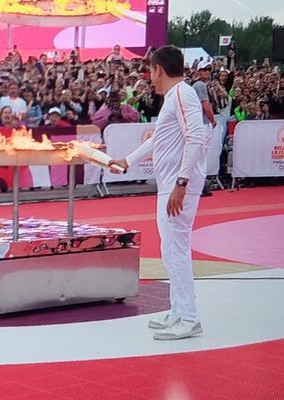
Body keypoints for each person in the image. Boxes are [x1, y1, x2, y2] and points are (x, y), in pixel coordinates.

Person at [109, 45, 207, 340]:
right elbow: (158, 140)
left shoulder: (182, 94)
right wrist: (128, 161)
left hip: (177, 185)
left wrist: (181, 183)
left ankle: (189, 317)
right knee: (171, 248)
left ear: (158, 69)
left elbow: (197, 138)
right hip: (171, 183)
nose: (150, 77)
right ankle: (179, 311)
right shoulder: (175, 98)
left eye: (150, 71)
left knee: (175, 248)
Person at [192, 60, 217, 197]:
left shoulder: (197, 85)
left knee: (199, 156)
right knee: (201, 157)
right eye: (204, 69)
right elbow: (205, 106)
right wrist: (212, 119)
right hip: (203, 124)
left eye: (209, 69)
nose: (207, 72)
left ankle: (198, 185)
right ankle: (199, 187)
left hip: (201, 123)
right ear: (199, 71)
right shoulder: (200, 85)